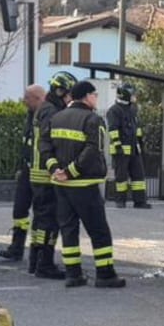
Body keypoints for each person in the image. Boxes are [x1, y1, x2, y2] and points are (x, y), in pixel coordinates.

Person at [45, 81, 125, 288]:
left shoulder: (56, 117)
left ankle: (73, 274)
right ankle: (105, 275)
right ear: (87, 96)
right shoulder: (93, 119)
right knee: (99, 231)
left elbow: (44, 147)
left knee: (68, 230)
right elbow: (92, 151)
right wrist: (70, 172)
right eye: (95, 95)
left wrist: (56, 170)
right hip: (85, 184)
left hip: (61, 186)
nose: (96, 98)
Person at [27, 73, 74, 279]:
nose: (69, 99)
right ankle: (44, 264)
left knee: (40, 221)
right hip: (46, 174)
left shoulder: (45, 109)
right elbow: (50, 143)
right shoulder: (51, 112)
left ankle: (35, 261)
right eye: (68, 94)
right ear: (60, 91)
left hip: (39, 173)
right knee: (49, 221)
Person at [0, 83, 46, 261]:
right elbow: (26, 145)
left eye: (27, 97)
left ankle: (39, 253)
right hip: (27, 169)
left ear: (38, 98)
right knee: (19, 209)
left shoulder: (47, 115)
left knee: (40, 214)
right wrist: (20, 167)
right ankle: (16, 247)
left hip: (40, 173)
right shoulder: (30, 115)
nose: (24, 101)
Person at [105, 84, 150, 209]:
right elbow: (113, 129)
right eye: (133, 94)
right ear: (126, 95)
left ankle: (140, 201)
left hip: (134, 149)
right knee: (121, 177)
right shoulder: (114, 110)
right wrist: (117, 145)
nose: (135, 96)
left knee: (138, 176)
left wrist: (140, 142)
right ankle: (120, 201)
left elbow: (137, 128)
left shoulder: (132, 109)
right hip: (121, 150)